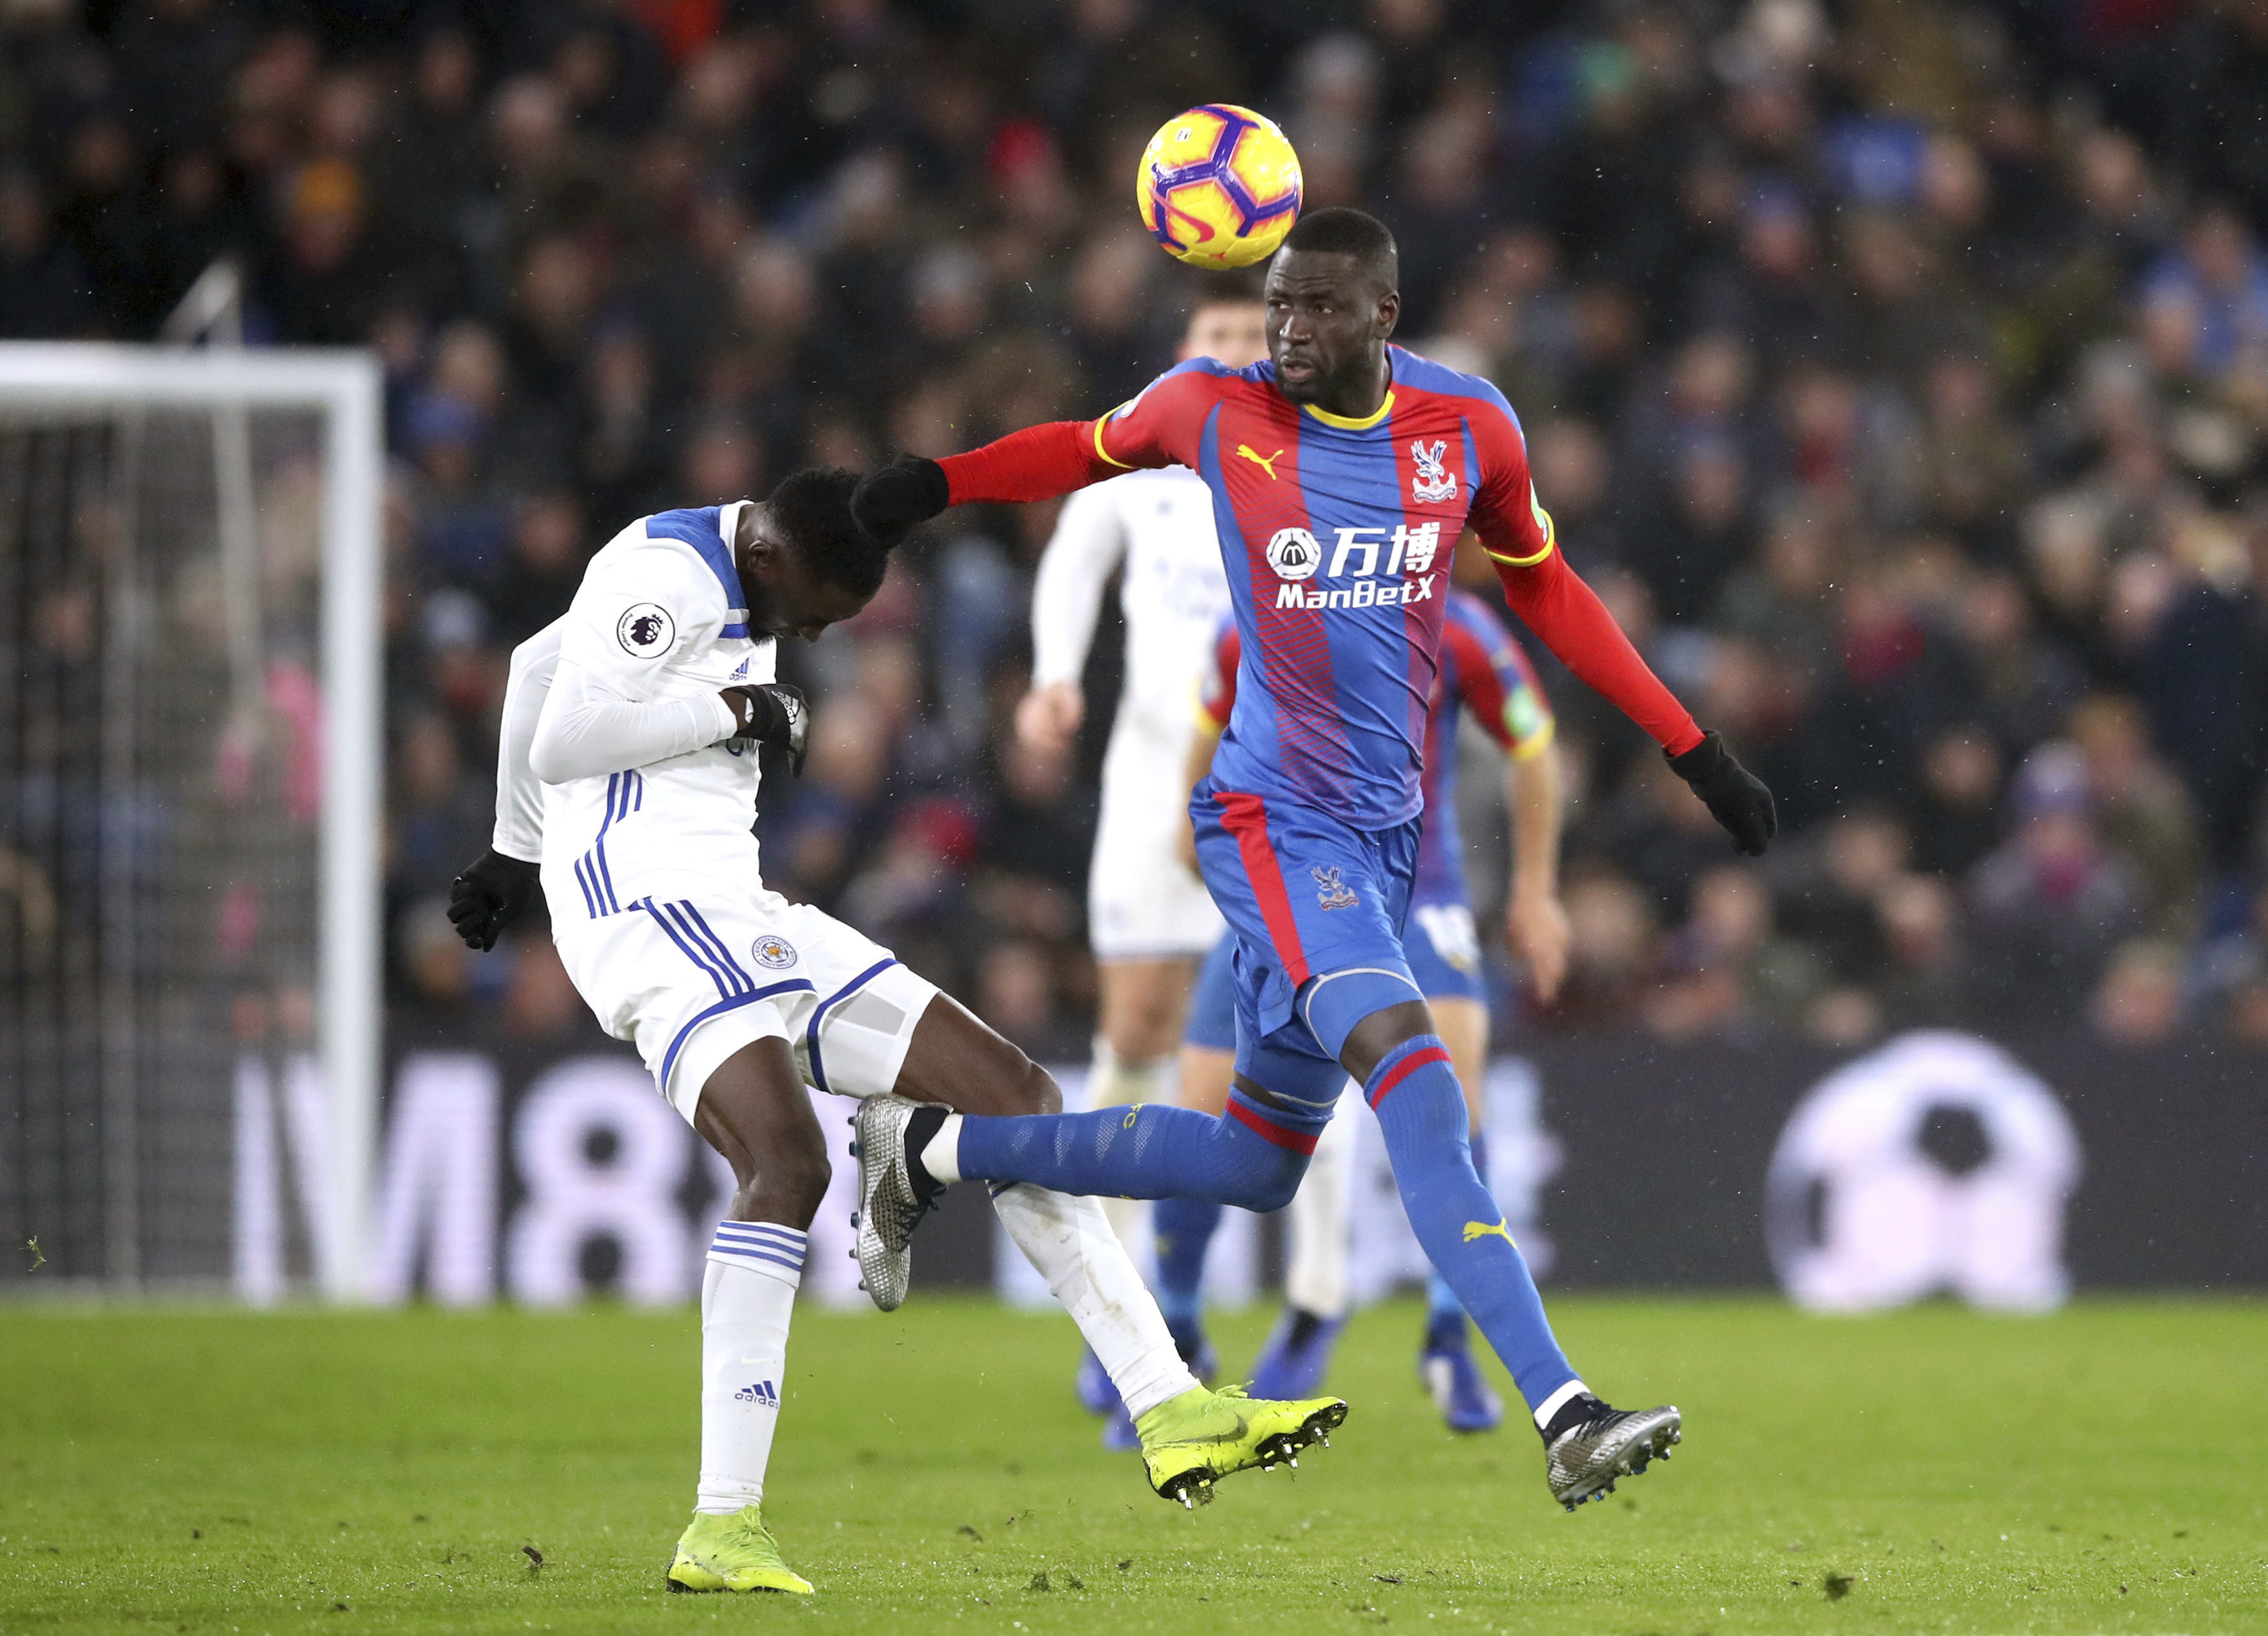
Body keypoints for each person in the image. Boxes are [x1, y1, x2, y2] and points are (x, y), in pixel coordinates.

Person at [849, 207, 1776, 1510]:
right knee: (1415, 1067)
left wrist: (1693, 750)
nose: (1287, 328)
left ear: (1383, 319)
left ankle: (929, 1149)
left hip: (1384, 839)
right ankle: (1564, 1409)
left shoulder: (1469, 428)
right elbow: (1076, 451)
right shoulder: (1209, 408)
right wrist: (931, 483)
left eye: (1317, 308)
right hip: (1274, 823)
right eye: (1277, 303)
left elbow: (1547, 585)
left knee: (1254, 1162)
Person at [444, 473, 1347, 1596]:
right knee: (783, 1163)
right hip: (646, 915)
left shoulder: (733, 569)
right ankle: (722, 1526)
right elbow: (566, 734)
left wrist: (508, 850)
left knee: (1018, 1097)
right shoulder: (669, 577)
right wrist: (729, 715)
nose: (813, 636)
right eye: (814, 613)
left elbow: (539, 668)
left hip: (737, 909)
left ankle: (1167, 1405)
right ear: (769, 556)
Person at [1159, 583, 1570, 1434]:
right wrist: (1198, 837)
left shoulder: (1458, 628)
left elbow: (1534, 745)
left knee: (1453, 1088)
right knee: (1199, 1100)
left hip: (1421, 892)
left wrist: (1535, 890)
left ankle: (1448, 1343)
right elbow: (1204, 738)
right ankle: (1176, 1335)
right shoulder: (1257, 618)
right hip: (1293, 892)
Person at [1013, 284, 1264, 1439]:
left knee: (1249, 1048)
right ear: (1183, 350)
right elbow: (1070, 555)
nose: (1239, 352)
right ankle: (1109, 1299)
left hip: (1264, 786)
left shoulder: (1302, 454)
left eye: (1257, 337)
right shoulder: (1150, 459)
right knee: (1137, 1035)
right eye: (1218, 336)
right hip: (1148, 779)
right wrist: (1056, 673)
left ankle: (1184, 1302)